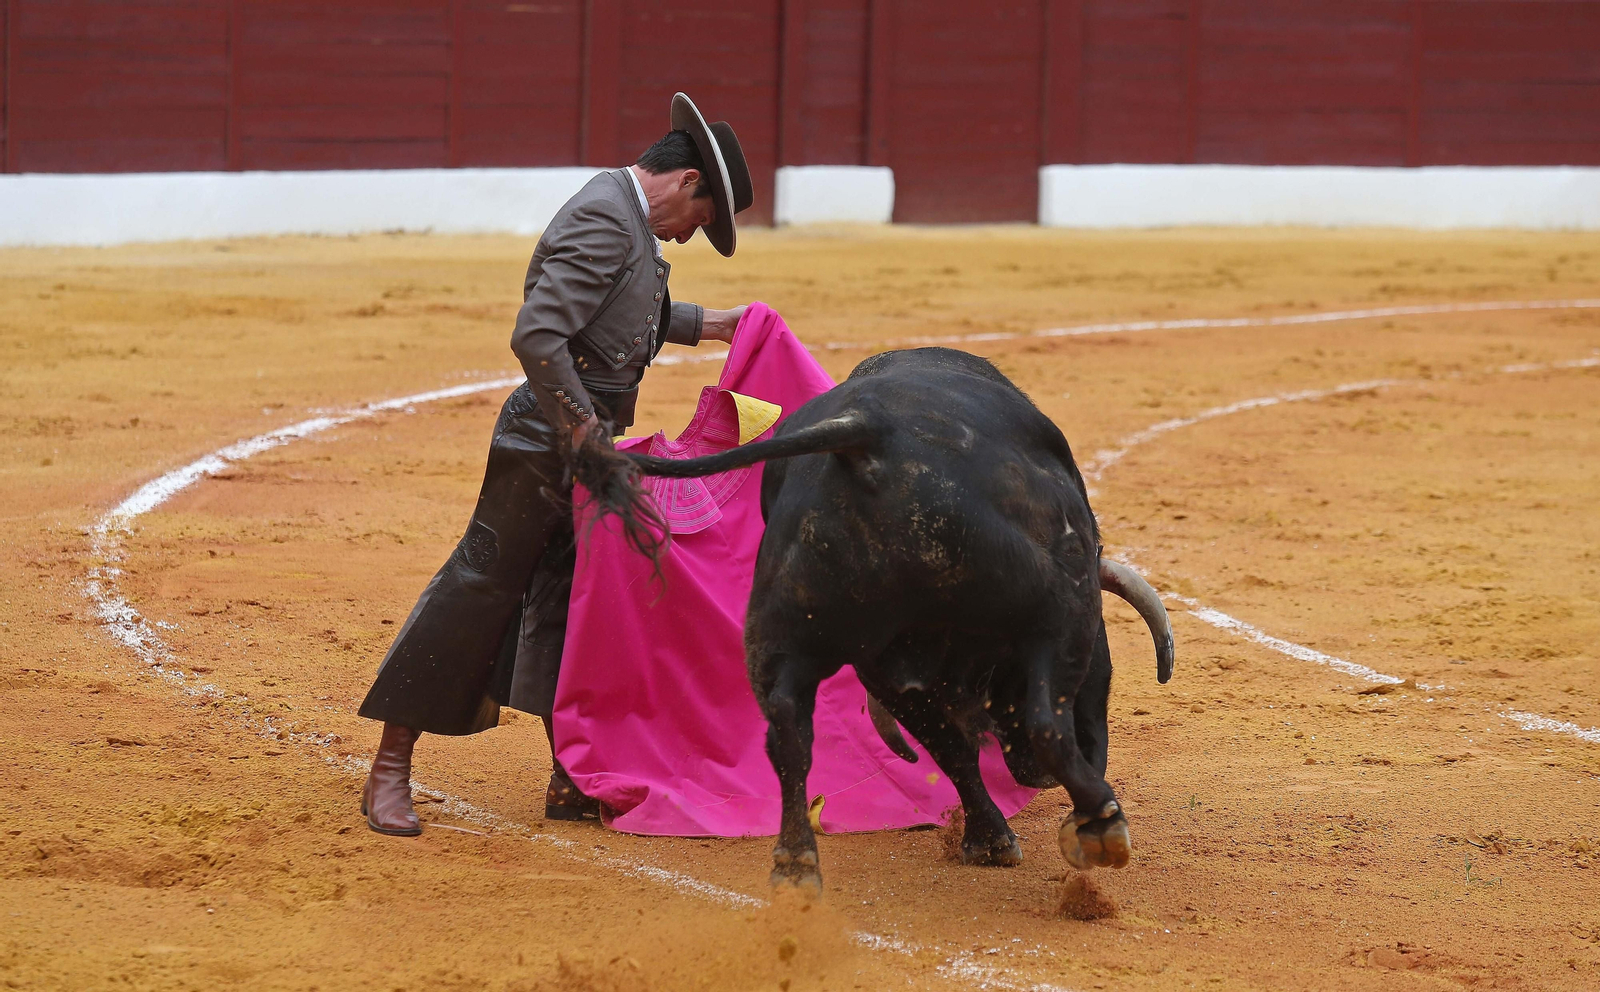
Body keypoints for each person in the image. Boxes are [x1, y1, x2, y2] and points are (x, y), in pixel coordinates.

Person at [355, 93, 755, 835]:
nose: (690, 236)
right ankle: (389, 768)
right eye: (700, 220)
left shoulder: (625, 217)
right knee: (480, 589)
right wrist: (582, 432)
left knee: (576, 603)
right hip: (545, 439)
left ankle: (570, 776)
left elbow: (621, 308)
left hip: (582, 438)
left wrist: (712, 324)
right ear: (687, 180)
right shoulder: (607, 216)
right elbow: (538, 335)